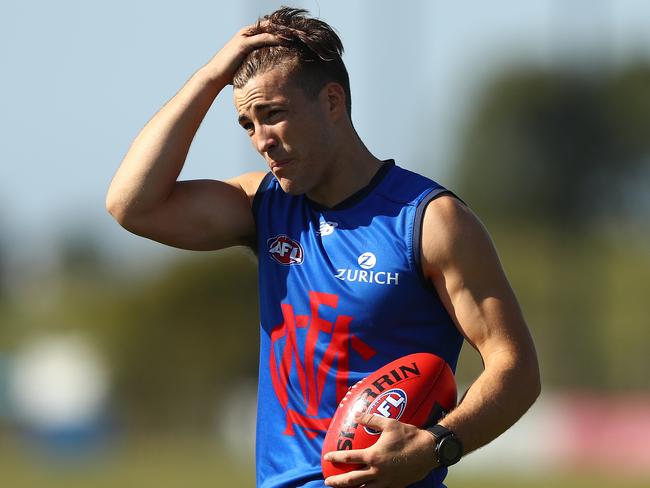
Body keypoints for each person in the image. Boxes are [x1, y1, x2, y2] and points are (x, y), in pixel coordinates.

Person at [106, 7, 540, 488]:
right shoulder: (263, 206)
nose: (261, 142)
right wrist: (210, 76)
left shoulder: (429, 222)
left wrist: (438, 444)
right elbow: (131, 205)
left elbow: (516, 369)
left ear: (333, 101)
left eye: (273, 115)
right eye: (247, 124)